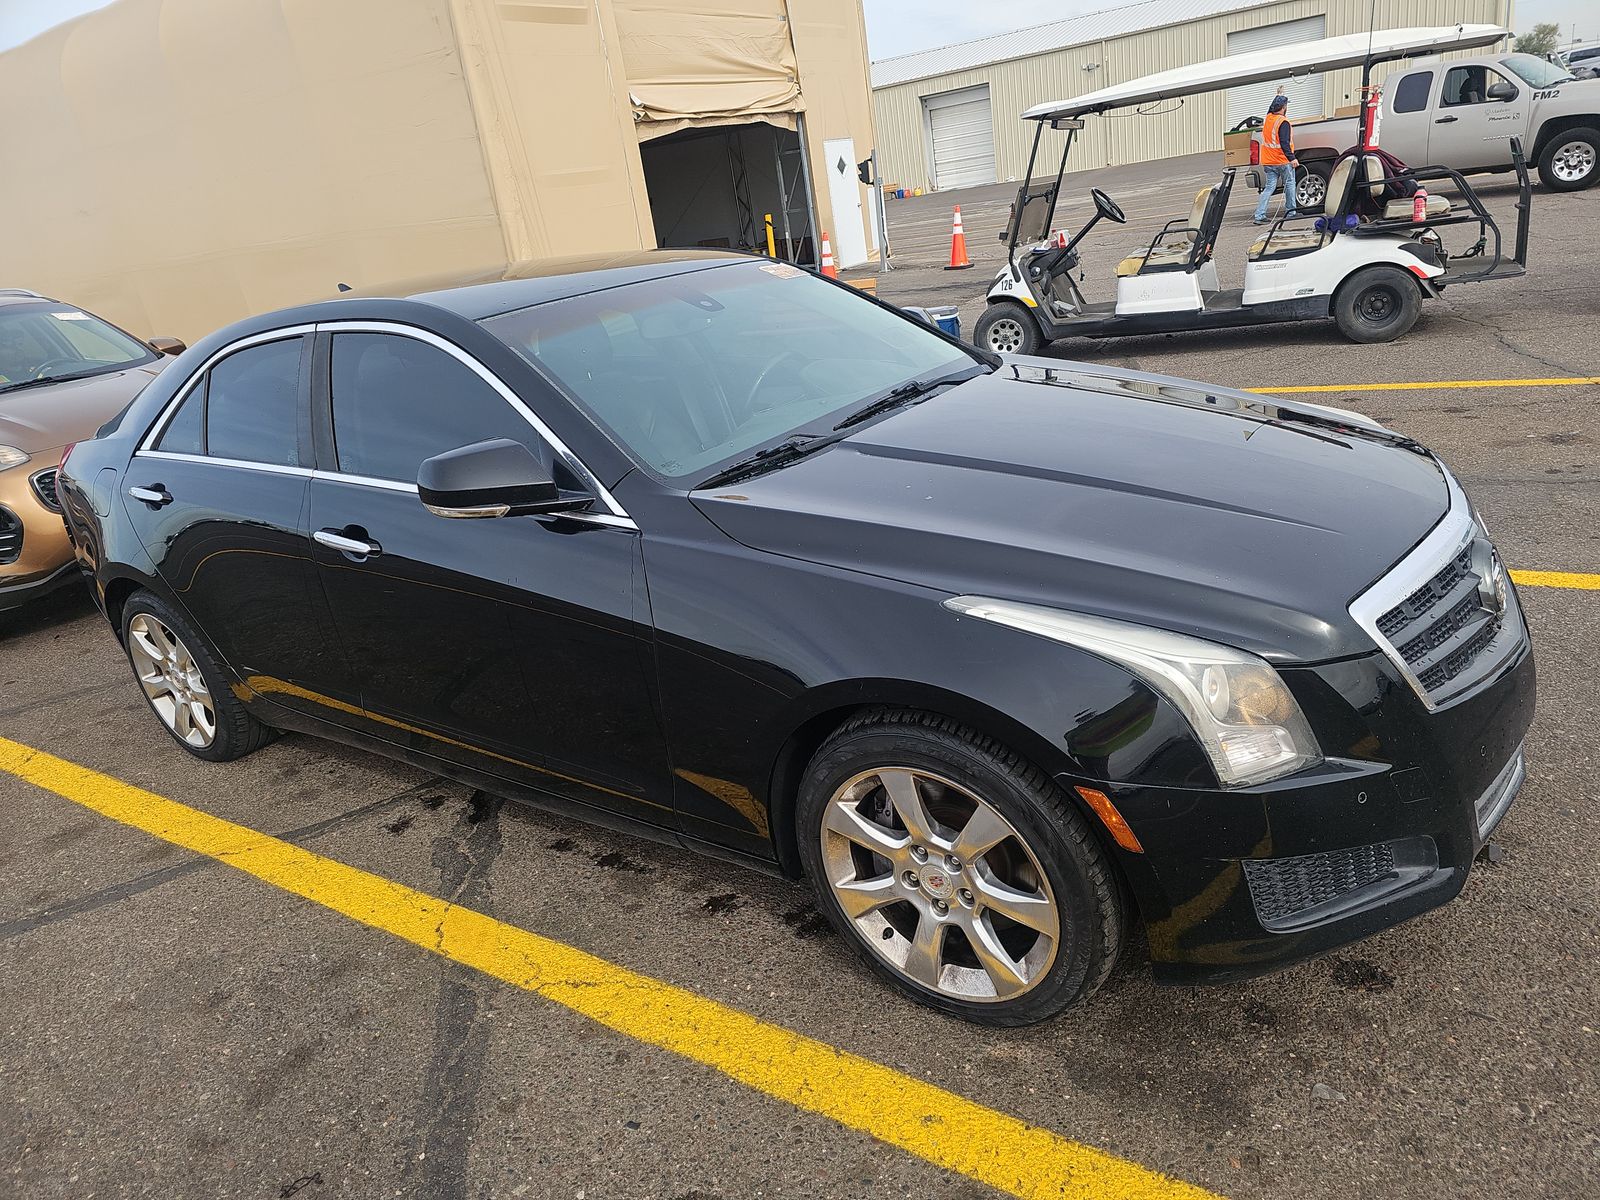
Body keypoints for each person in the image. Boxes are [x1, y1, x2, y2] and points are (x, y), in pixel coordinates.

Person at [1253, 93, 1299, 225]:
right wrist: (1292, 158)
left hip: (1268, 161)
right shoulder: (1283, 122)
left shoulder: (1268, 118)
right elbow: (1284, 142)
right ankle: (1291, 212)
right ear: (1284, 107)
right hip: (1282, 161)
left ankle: (1259, 215)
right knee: (1290, 184)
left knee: (1269, 188)